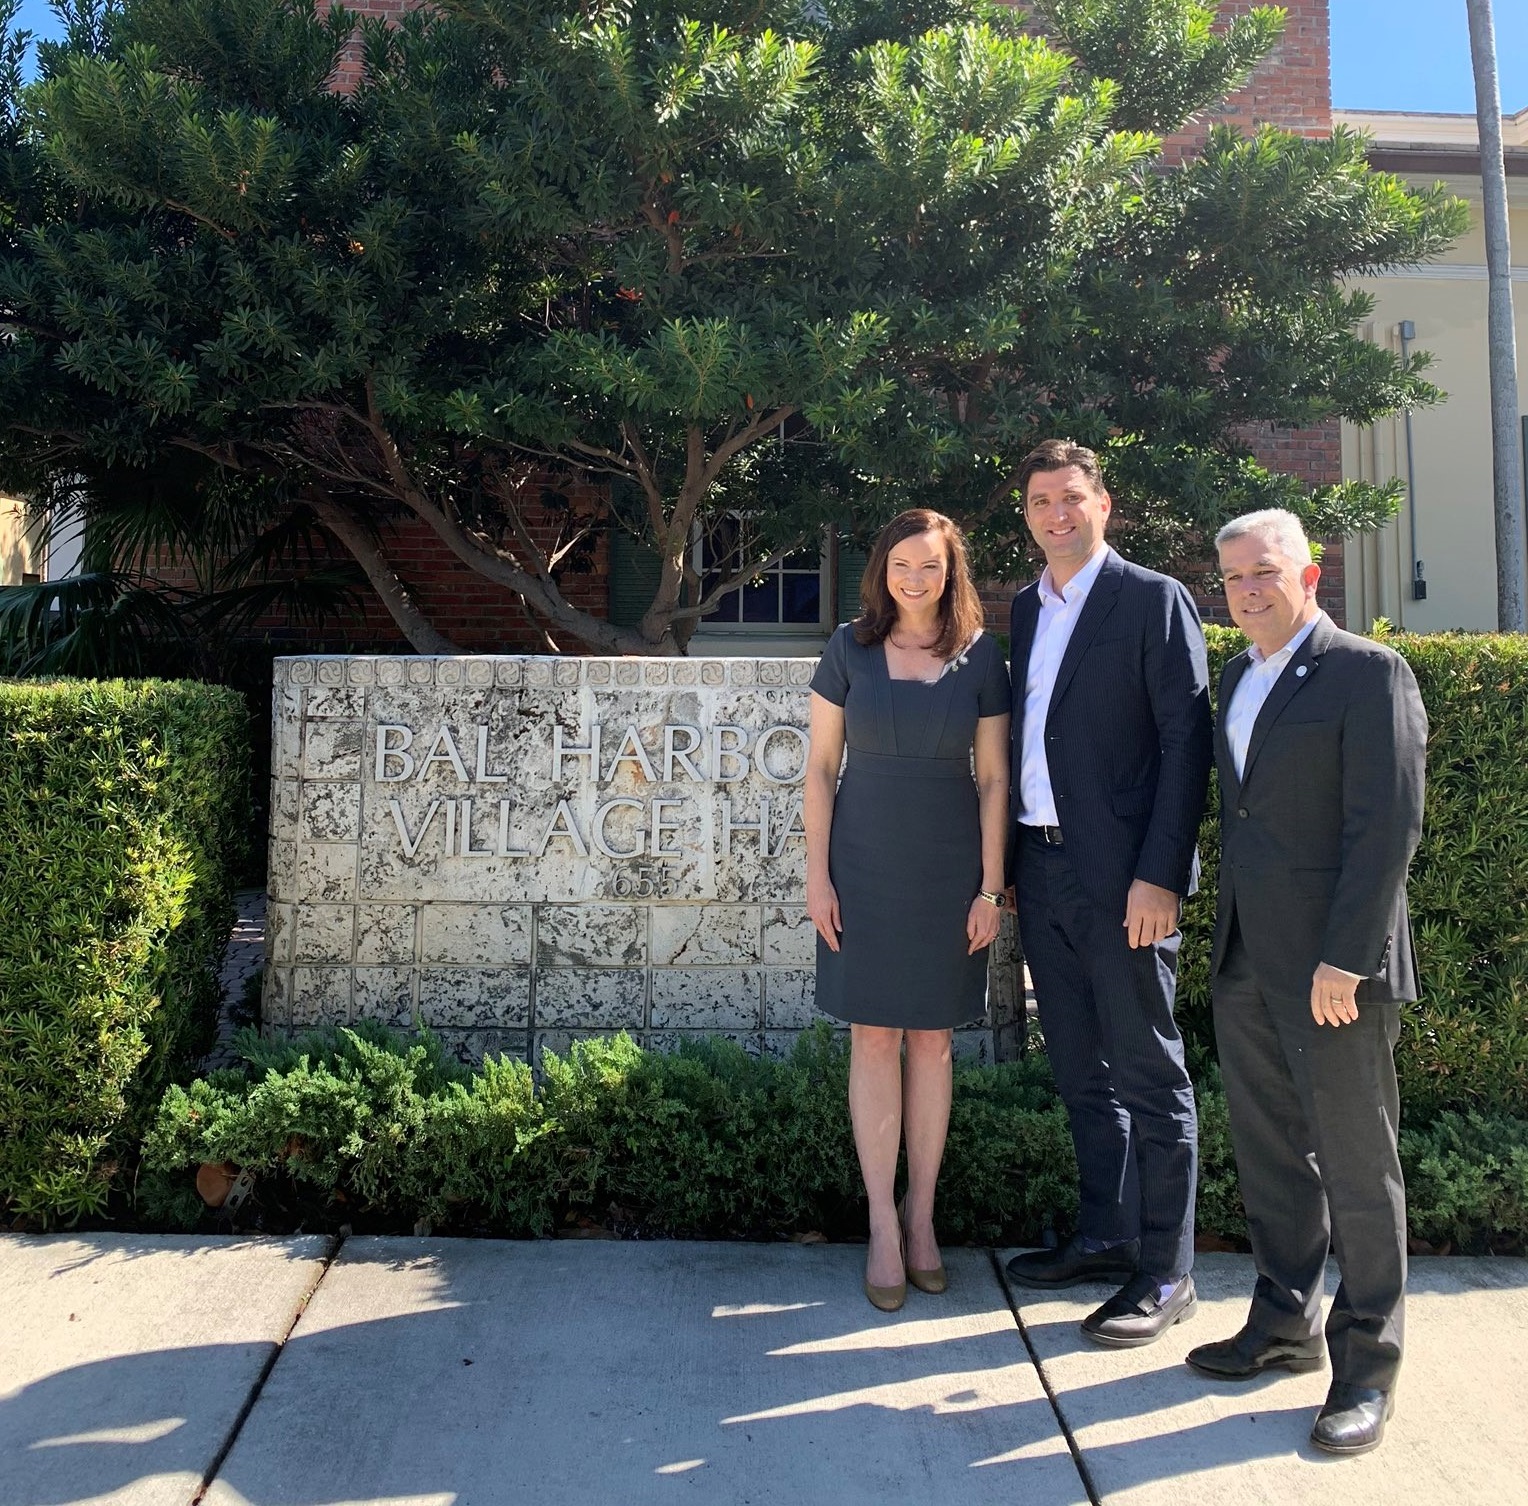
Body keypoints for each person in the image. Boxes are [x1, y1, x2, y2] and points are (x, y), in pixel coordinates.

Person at [1185, 509, 1427, 1457]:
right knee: (1273, 1155)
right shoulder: (1237, 678)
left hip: (1336, 971)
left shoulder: (1369, 672)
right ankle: (1284, 1323)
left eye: (1264, 572)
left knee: (1359, 1167)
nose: (1247, 590)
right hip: (1248, 956)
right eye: (1233, 577)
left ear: (1309, 574)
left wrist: (1349, 958)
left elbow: (1387, 826)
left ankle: (1367, 1370)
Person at [1002, 440, 1212, 1348]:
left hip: (1127, 881)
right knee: (1081, 1069)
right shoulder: (1022, 608)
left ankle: (1167, 1271)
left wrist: (1160, 874)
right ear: (1027, 514)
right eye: (1042, 501)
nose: (1058, 514)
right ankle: (1107, 1233)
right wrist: (1008, 870)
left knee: (1149, 1073)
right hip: (1041, 870)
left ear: (1104, 505)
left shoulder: (1153, 600)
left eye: (1072, 499)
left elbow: (1185, 747)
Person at [804, 509, 1011, 1312]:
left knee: (932, 1042)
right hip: (862, 864)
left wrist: (991, 887)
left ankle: (922, 1219)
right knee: (873, 1037)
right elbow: (821, 769)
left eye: (929, 564)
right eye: (900, 563)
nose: (914, 577)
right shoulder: (847, 648)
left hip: (948, 867)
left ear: (951, 570)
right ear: (881, 569)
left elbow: (994, 778)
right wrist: (818, 879)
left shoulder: (980, 655)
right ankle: (881, 1228)